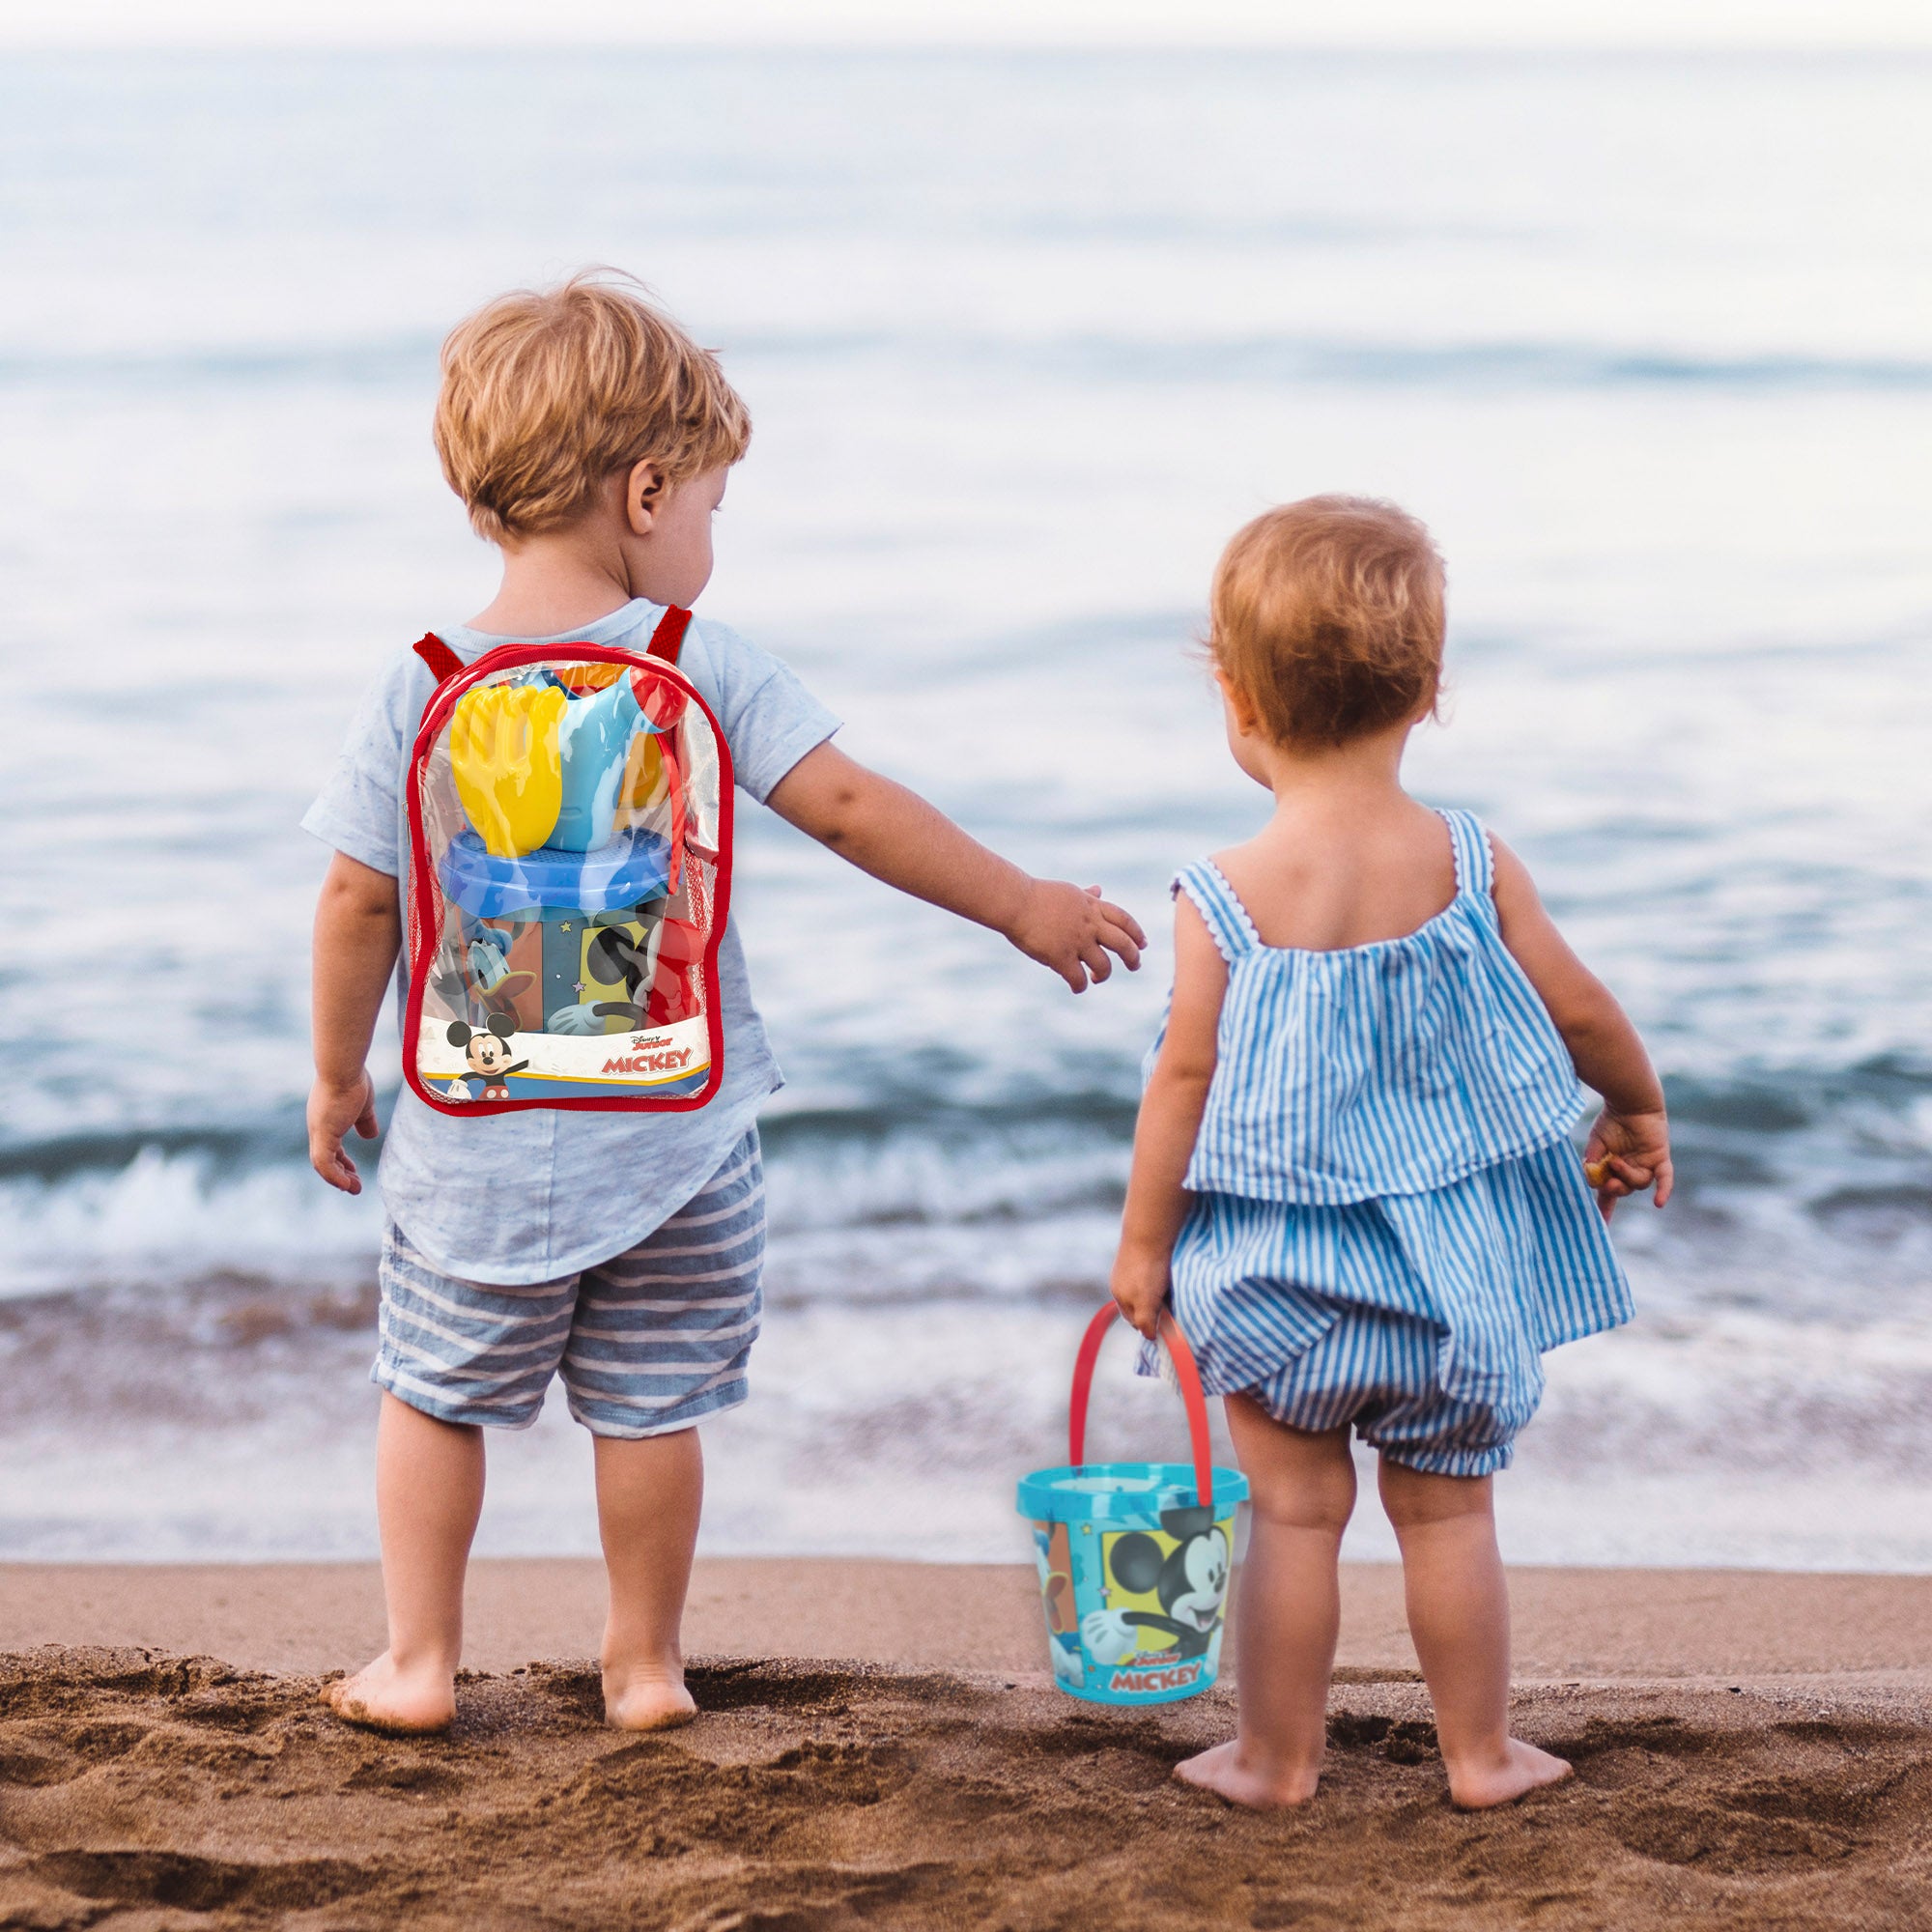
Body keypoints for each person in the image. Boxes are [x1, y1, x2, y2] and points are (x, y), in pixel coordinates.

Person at [304, 270, 1145, 1736]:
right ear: (643, 491)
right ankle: (641, 1666)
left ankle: (419, 1661)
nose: (708, 536)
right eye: (706, 503)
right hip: (675, 1138)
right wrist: (1025, 905)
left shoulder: (419, 681)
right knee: (648, 1408)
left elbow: (359, 901)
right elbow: (851, 808)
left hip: (476, 1132)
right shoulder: (698, 664)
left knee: (435, 1395)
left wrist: (334, 1075)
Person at [1109, 497, 1670, 1810]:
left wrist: (1143, 1248)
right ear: (1427, 691)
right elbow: (1582, 1011)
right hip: (1454, 1286)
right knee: (1448, 1517)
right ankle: (1481, 1756)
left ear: (1238, 701)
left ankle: (1276, 1757)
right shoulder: (1469, 863)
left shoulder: (1224, 897)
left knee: (1296, 1519)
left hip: (1280, 1285)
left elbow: (1179, 1086)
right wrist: (1636, 1111)